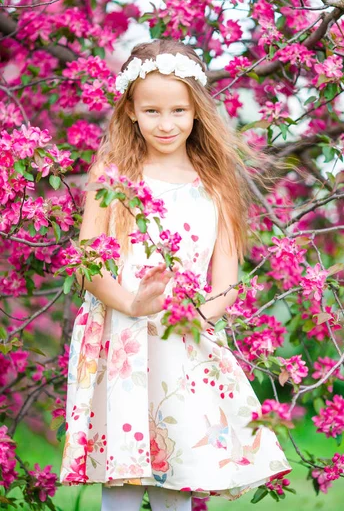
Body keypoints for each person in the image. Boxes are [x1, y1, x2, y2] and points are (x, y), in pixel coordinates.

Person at [59, 39, 292, 510]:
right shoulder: (116, 169)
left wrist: (200, 315)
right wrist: (132, 303)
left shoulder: (215, 178)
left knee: (176, 481)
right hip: (122, 338)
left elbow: (226, 276)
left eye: (178, 111)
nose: (166, 124)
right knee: (122, 484)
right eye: (152, 111)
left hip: (184, 337)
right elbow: (88, 262)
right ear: (130, 111)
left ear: (196, 110)